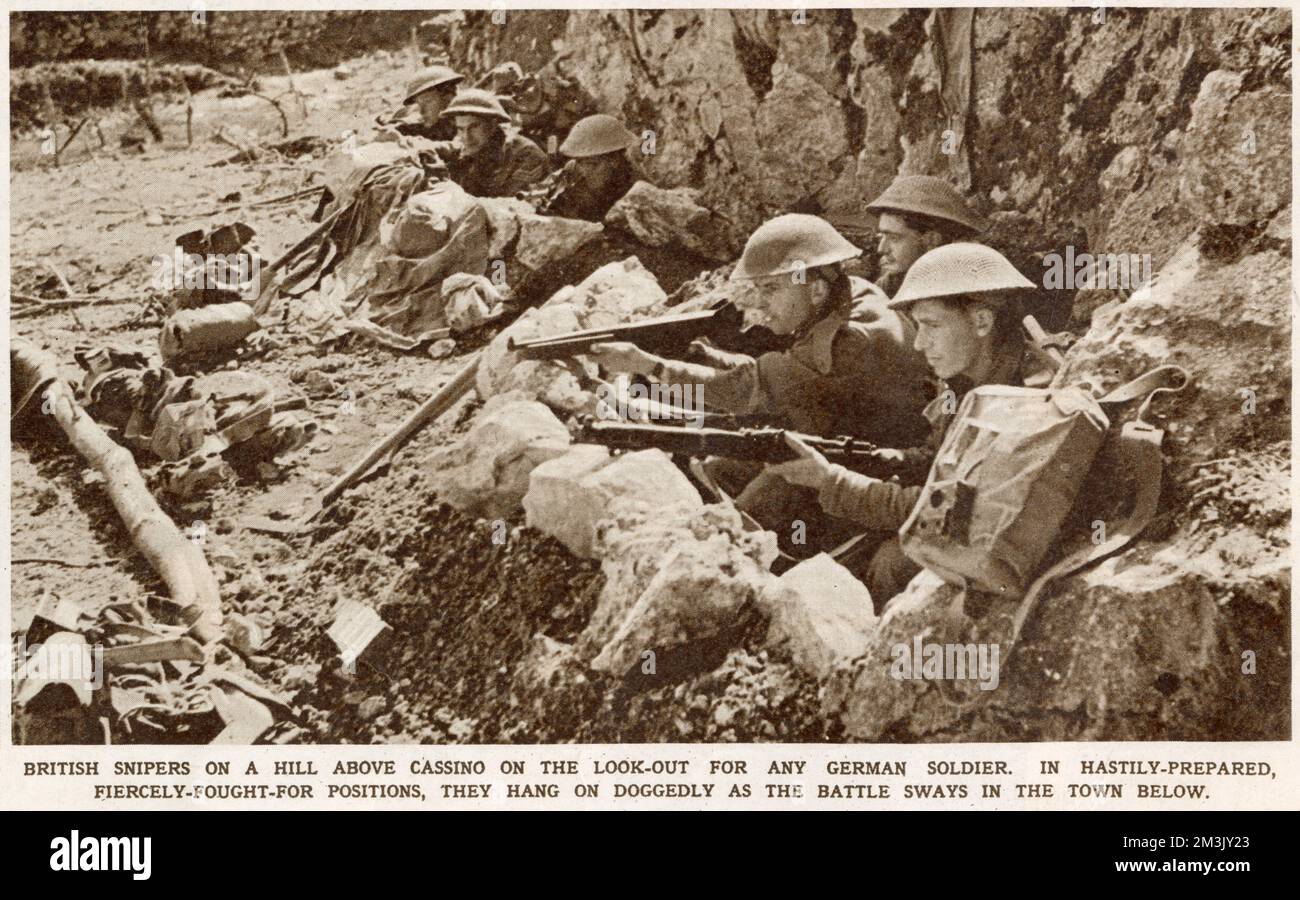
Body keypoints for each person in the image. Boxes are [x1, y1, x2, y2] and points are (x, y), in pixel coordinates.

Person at [588, 214, 933, 555]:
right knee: (717, 468)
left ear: (815, 289)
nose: (761, 304)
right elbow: (774, 375)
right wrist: (699, 356)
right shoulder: (852, 295)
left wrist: (650, 366)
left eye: (771, 289)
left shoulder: (846, 343)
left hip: (881, 472)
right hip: (845, 437)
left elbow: (746, 389)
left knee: (741, 519)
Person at [767, 242, 1040, 607]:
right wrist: (863, 457)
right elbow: (933, 460)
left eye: (931, 325)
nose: (920, 344)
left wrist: (830, 480)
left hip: (1005, 547)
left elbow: (942, 511)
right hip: (967, 522)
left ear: (981, 321)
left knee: (891, 563)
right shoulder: (963, 382)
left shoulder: (1026, 399)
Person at [867, 175, 984, 295]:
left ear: (932, 240)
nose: (881, 249)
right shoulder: (893, 282)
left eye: (894, 238)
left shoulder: (965, 288)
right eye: (881, 236)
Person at [434, 88, 552, 198]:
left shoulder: (525, 154)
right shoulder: (465, 154)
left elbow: (518, 207)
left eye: (474, 127)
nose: (466, 137)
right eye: (461, 129)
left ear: (493, 123)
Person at [531, 114, 641, 221]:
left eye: (592, 164)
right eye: (579, 162)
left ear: (615, 161)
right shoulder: (573, 169)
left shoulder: (636, 191)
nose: (583, 171)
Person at [383, 65, 465, 143]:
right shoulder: (434, 125)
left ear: (448, 99)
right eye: (418, 104)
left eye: (427, 101)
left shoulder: (466, 122)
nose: (421, 111)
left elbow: (458, 146)